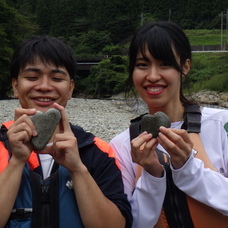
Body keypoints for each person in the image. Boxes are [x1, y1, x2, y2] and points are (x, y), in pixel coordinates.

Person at [0, 35, 132, 228]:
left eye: (56, 78)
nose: (44, 86)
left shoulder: (96, 151)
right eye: (31, 77)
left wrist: (78, 170)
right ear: (15, 86)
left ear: (70, 88)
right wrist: (17, 161)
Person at [110, 21, 228, 227]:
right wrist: (151, 174)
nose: (153, 76)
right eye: (142, 65)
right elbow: (131, 223)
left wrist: (187, 168)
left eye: (165, 64)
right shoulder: (121, 145)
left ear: (185, 67)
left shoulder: (221, 124)